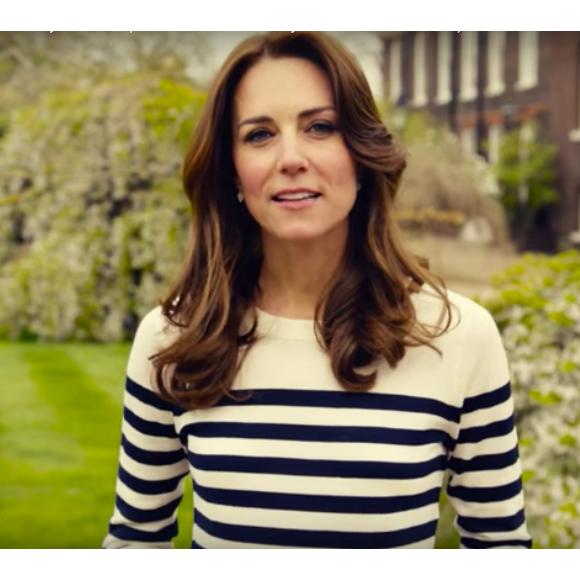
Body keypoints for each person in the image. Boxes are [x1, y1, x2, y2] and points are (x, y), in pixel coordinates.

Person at [102, 31, 532, 550]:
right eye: (259, 135)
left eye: (320, 127)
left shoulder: (458, 336)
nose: (291, 158)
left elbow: (499, 539)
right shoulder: (173, 339)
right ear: (232, 170)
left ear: (362, 152)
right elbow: (136, 537)